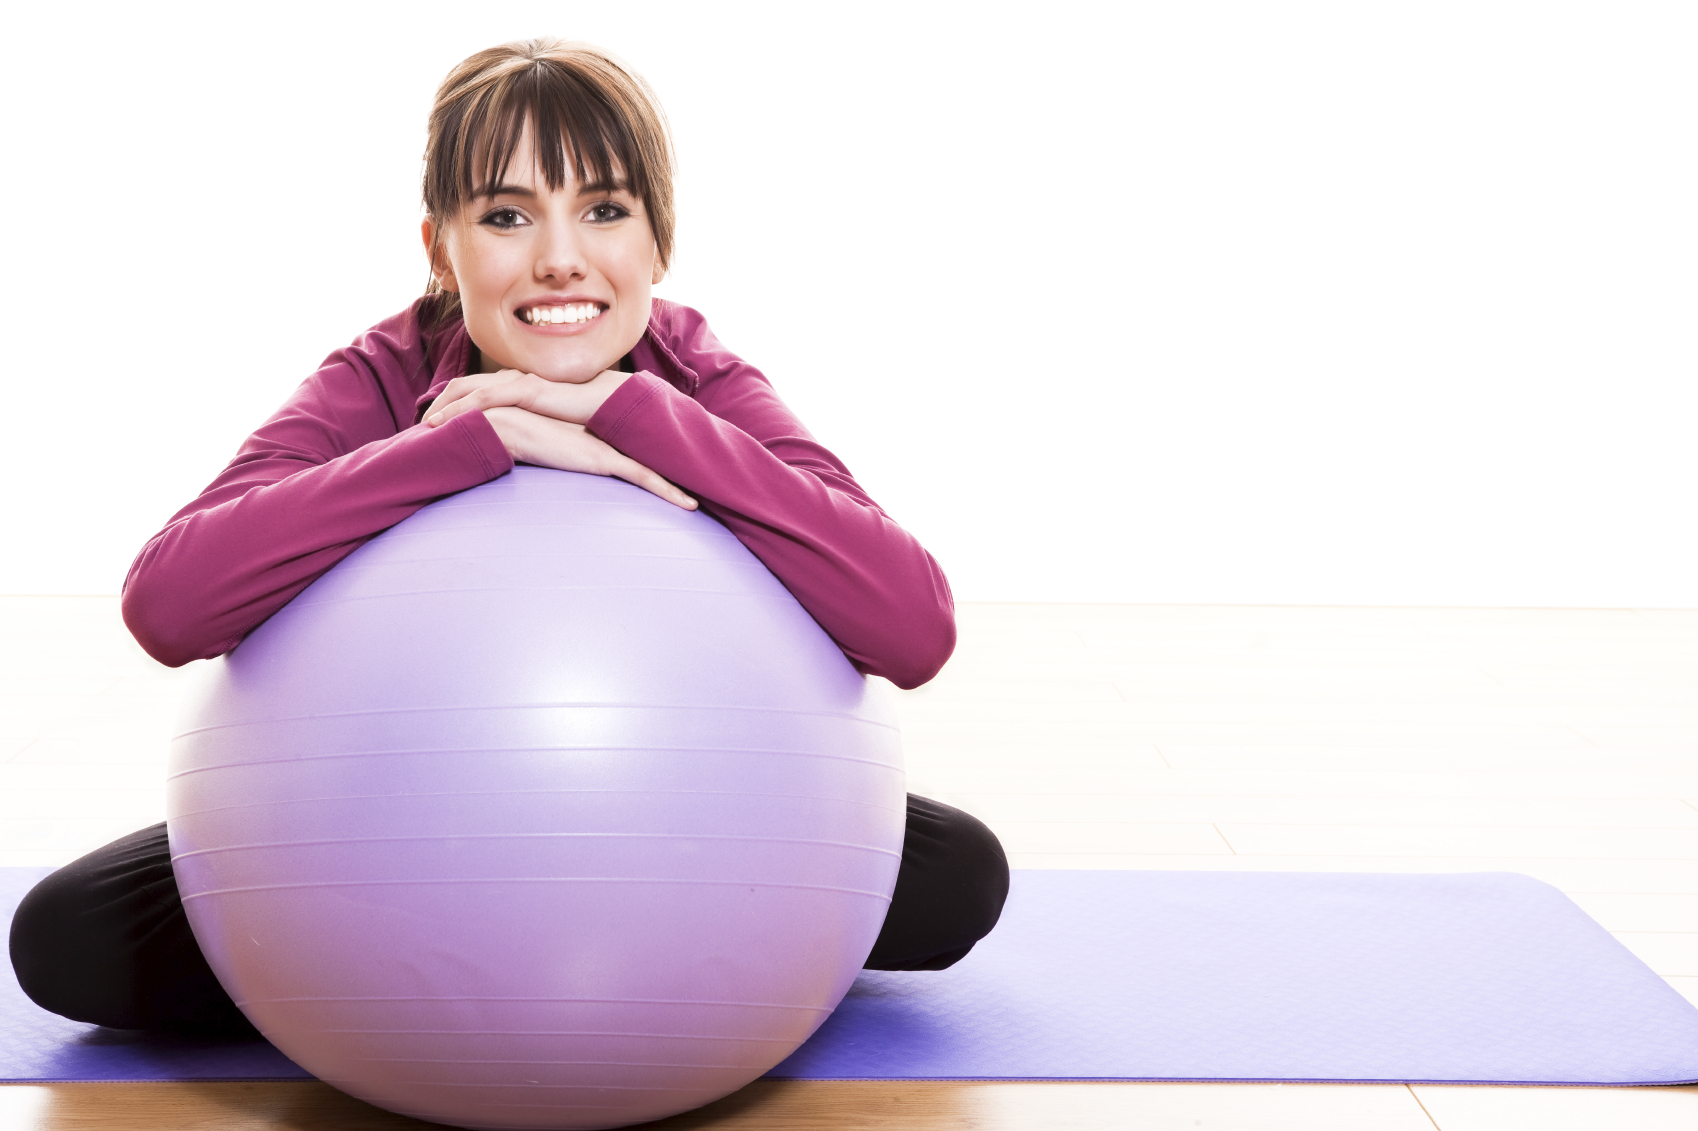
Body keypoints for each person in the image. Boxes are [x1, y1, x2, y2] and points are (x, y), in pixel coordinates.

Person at [8, 38, 1008, 1037]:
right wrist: (466, 441)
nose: (561, 257)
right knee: (67, 943)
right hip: (381, 824)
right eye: (505, 216)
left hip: (682, 806)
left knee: (958, 875)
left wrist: (633, 411)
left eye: (605, 211)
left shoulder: (701, 381)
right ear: (441, 247)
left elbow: (913, 628)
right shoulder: (383, 378)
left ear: (659, 244)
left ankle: (624, 943)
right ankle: (379, 951)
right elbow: (169, 605)